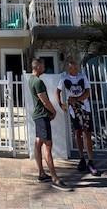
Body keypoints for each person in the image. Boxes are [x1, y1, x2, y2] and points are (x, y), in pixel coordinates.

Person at [28, 57, 70, 191]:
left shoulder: (31, 80)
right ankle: (55, 178)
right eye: (43, 65)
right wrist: (54, 111)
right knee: (48, 145)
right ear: (38, 67)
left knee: (38, 142)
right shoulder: (38, 82)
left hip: (38, 116)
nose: (44, 67)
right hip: (42, 116)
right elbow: (44, 101)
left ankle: (41, 173)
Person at [56, 58, 101, 176]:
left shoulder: (83, 77)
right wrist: (61, 104)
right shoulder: (64, 78)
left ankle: (90, 160)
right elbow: (58, 91)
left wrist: (76, 99)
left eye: (76, 67)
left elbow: (88, 92)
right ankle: (82, 158)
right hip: (73, 110)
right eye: (72, 67)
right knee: (77, 133)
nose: (75, 69)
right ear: (69, 68)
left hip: (85, 108)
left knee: (87, 133)